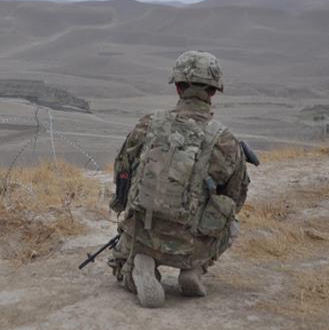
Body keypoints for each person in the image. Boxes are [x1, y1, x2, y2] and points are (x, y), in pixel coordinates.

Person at [107, 51, 250, 308]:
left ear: (177, 87)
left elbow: (122, 174)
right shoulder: (226, 140)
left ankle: (138, 264)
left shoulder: (148, 124)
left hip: (142, 232)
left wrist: (124, 212)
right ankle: (194, 269)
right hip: (192, 243)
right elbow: (236, 197)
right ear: (214, 91)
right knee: (232, 223)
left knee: (118, 262)